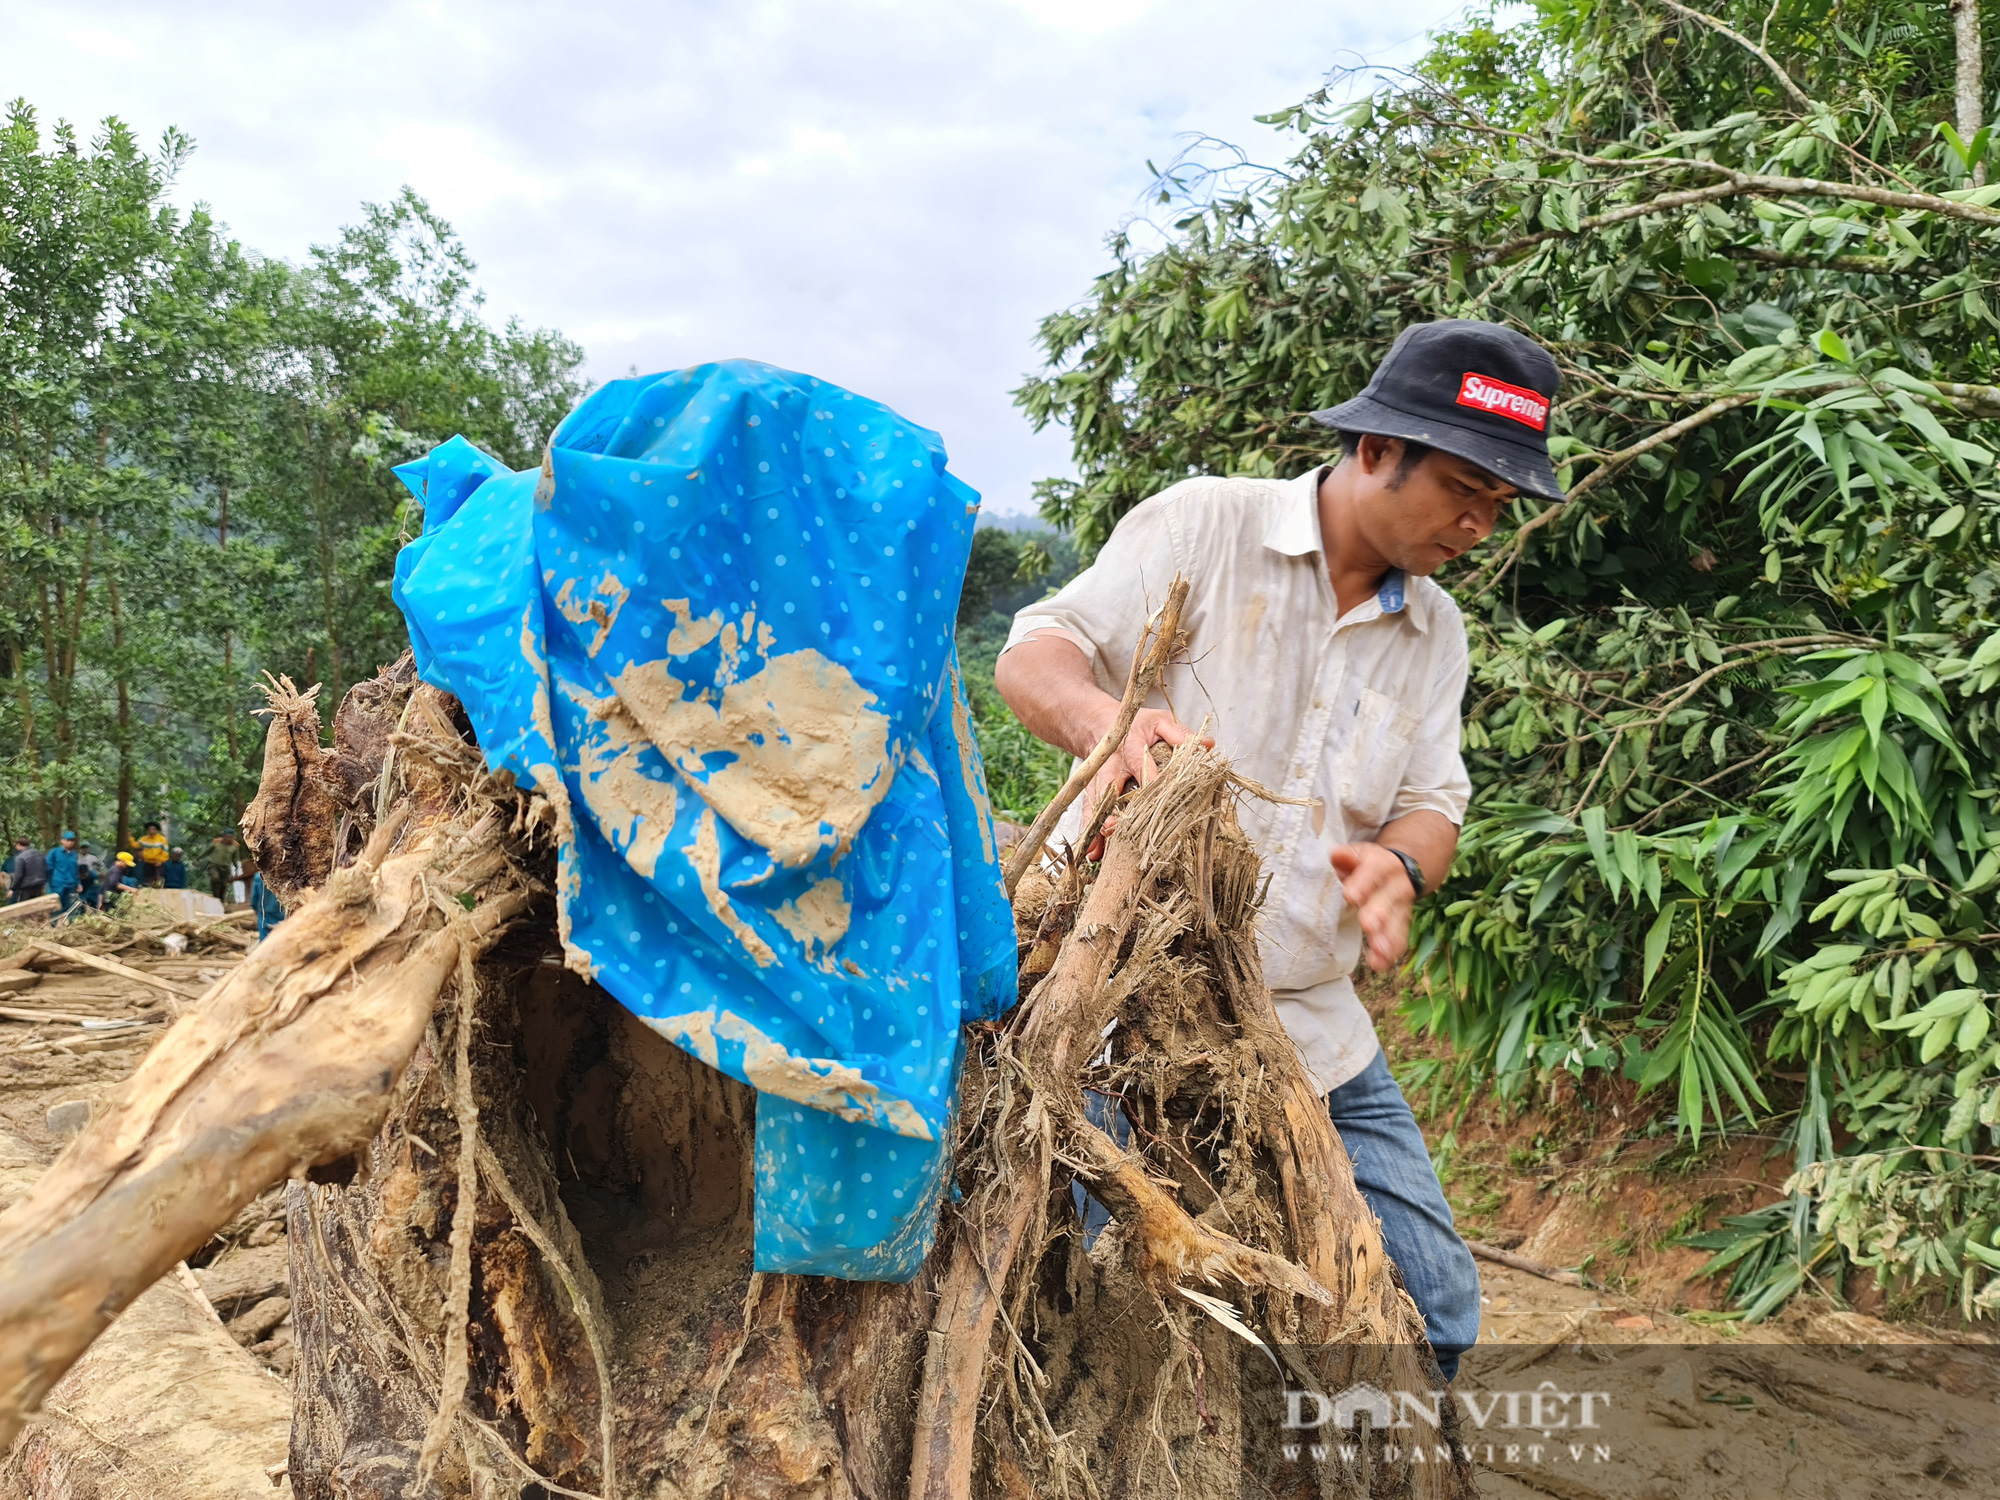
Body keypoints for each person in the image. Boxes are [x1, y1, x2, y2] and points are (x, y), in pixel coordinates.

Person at [995, 319, 1566, 1383]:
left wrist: (1396, 866)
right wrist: (1103, 726)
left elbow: (1433, 802)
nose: (1477, 524)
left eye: (1498, 505)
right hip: (1120, 1000)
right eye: (1461, 488)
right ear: (1374, 450)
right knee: (1096, 1292)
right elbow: (1035, 654)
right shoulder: (1203, 526)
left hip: (1306, 1018)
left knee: (1434, 1308)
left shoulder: (1433, 633)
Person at [46, 831, 82, 918]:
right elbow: (48, 868)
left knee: (70, 906)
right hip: (57, 884)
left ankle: (69, 926)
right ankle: (54, 925)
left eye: (72, 840)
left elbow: (76, 870)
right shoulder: (54, 853)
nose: (70, 842)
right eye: (68, 840)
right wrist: (49, 882)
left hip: (71, 884)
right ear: (62, 840)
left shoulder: (74, 854)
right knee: (56, 906)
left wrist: (79, 883)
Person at [248, 863, 286, 942]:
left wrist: (255, 908)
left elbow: (254, 898)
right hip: (282, 914)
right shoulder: (284, 876)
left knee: (265, 942)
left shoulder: (259, 877)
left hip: (265, 915)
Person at [7, 838, 47, 904]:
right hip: (40, 884)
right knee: (38, 905)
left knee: (25, 908)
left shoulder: (20, 857)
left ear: (19, 844)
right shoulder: (39, 854)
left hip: (27, 887)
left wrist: (12, 889)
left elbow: (19, 875)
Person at [206, 834, 240, 903]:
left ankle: (221, 901)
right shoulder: (216, 843)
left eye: (231, 837)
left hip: (226, 868)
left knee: (223, 885)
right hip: (214, 865)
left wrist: (236, 868)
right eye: (228, 837)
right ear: (224, 837)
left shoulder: (235, 846)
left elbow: (235, 858)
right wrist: (198, 859)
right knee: (215, 878)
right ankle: (216, 897)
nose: (229, 839)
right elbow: (207, 851)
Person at [135, 821, 170, 886]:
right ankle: (151, 892)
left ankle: (160, 891)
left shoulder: (162, 839)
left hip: (158, 862)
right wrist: (130, 838)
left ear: (156, 830)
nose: (151, 831)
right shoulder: (143, 839)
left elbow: (165, 851)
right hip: (148, 862)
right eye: (149, 829)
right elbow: (136, 846)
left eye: (153, 829)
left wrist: (160, 861)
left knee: (159, 878)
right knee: (149, 878)